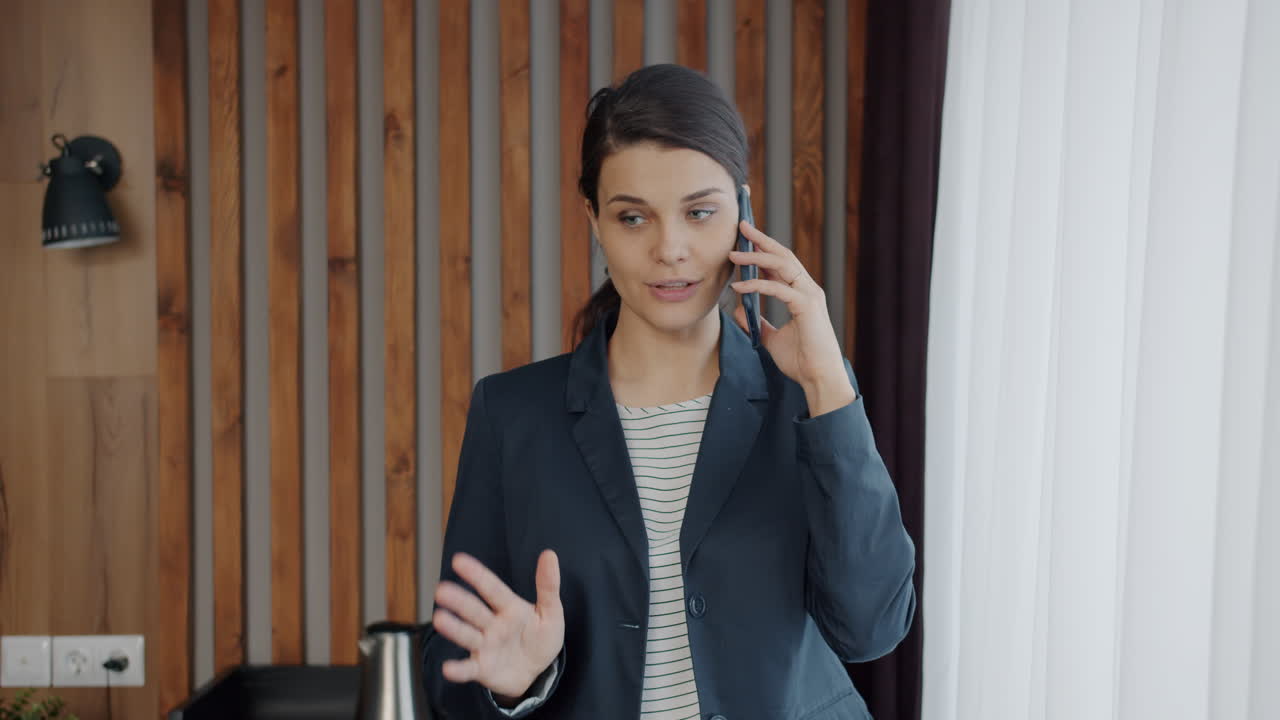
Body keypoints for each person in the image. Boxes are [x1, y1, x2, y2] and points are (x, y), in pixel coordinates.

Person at [422, 63, 915, 720]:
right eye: (634, 218)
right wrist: (514, 682)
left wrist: (828, 385)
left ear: (742, 210)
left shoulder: (813, 396)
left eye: (699, 212)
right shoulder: (513, 415)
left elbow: (872, 627)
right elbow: (451, 672)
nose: (671, 249)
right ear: (594, 220)